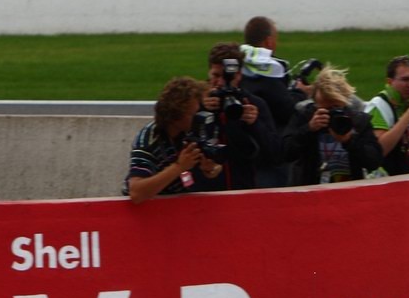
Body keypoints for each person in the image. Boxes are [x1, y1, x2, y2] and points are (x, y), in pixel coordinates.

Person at [194, 43, 283, 192]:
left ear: (239, 74)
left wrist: (255, 124)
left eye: (228, 77)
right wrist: (201, 111)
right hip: (203, 192)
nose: (221, 83)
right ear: (209, 72)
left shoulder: (253, 104)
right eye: (216, 76)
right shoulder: (196, 101)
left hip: (243, 190)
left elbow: (276, 154)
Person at [124, 77, 222, 204]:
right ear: (176, 116)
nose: (199, 118)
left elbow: (216, 169)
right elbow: (136, 193)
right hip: (144, 212)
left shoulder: (190, 131)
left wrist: (209, 169)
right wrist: (179, 167)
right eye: (193, 114)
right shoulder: (148, 140)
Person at [282, 65, 382, 185]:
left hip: (349, 192)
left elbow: (374, 161)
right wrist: (309, 129)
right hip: (311, 190)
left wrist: (349, 140)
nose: (331, 113)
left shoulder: (358, 121)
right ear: (315, 104)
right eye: (325, 108)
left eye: (336, 107)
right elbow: (285, 153)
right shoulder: (304, 116)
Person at [238, 16, 306, 134]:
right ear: (269, 41)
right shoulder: (271, 69)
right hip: (267, 134)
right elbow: (287, 111)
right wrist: (300, 92)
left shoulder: (237, 61)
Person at [365, 55, 409, 176]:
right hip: (383, 181)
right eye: (405, 79)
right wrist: (408, 117)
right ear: (390, 82)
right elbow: (379, 150)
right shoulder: (378, 106)